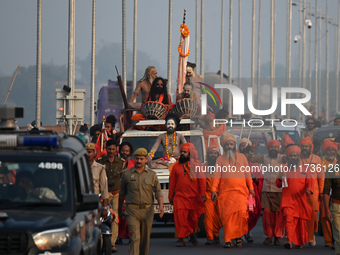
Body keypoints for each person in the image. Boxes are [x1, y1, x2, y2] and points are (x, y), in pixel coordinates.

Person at [211, 132, 255, 248]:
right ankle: (228, 240)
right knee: (227, 218)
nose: (229, 146)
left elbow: (248, 174)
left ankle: (238, 237)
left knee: (241, 216)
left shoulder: (242, 157)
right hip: (225, 194)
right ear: (224, 147)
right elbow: (216, 176)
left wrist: (251, 188)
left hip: (241, 193)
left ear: (234, 145)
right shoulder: (220, 159)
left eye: (231, 144)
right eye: (227, 145)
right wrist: (213, 190)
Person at [118, 148, 164, 255]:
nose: (139, 161)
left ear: (146, 160)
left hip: (147, 211)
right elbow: (121, 194)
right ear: (134, 159)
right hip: (132, 210)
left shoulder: (152, 175)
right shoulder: (126, 174)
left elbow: (158, 192)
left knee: (144, 239)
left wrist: (161, 206)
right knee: (135, 237)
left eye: (141, 159)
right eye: (137, 158)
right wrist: (120, 209)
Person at [168, 143, 206, 247]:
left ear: (190, 153)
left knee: (193, 220)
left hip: (194, 197)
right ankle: (181, 239)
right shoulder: (175, 166)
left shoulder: (197, 165)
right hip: (180, 197)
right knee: (180, 219)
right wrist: (170, 196)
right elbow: (172, 183)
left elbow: (202, 181)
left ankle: (191, 233)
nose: (182, 154)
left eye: (184, 152)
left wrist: (203, 193)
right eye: (181, 152)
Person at [276, 144, 314, 249]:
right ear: (288, 157)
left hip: (300, 200)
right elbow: (279, 185)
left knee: (300, 223)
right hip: (287, 199)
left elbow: (310, 182)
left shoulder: (305, 169)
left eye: (295, 156)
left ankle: (299, 241)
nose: (293, 157)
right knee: (289, 219)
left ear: (298, 156)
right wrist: (279, 178)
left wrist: (309, 190)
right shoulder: (284, 169)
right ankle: (289, 240)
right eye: (291, 156)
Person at [250, 140, 284, 245]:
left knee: (278, 215)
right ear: (268, 148)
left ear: (278, 149)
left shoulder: (282, 158)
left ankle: (277, 236)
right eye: (271, 147)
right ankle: (269, 235)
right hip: (266, 190)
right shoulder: (264, 157)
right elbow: (251, 158)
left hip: (279, 190)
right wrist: (251, 149)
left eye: (275, 147)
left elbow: (293, 158)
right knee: (267, 214)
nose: (273, 149)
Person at [97, 140, 125, 253]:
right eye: (109, 149)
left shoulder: (121, 162)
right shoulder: (100, 162)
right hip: (104, 194)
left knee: (115, 217)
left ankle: (112, 243)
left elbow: (123, 179)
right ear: (106, 148)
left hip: (117, 193)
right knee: (101, 217)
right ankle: (101, 242)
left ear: (116, 149)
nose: (111, 151)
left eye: (113, 149)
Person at [300, 137, 324, 246]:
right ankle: (304, 237)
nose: (304, 148)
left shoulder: (317, 159)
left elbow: (321, 177)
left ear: (311, 148)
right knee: (301, 216)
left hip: (314, 192)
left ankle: (310, 236)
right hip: (300, 192)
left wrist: (322, 192)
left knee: (313, 215)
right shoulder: (296, 158)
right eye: (303, 146)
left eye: (306, 146)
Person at [238, 138, 263, 243]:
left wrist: (255, 180)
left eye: (247, 152)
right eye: (243, 149)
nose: (246, 154)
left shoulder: (255, 165)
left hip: (252, 194)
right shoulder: (236, 163)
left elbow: (261, 179)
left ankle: (248, 232)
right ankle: (241, 234)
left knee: (252, 213)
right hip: (239, 192)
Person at [320, 139, 338, 248]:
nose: (330, 152)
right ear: (324, 151)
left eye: (332, 150)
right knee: (325, 216)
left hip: (336, 193)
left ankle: (336, 239)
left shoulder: (338, 163)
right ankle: (328, 240)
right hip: (324, 193)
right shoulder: (320, 163)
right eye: (328, 149)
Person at [116, 141, 135, 245]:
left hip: (131, 192)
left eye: (127, 151)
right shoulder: (116, 162)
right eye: (123, 150)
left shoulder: (133, 162)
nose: (125, 152)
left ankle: (130, 235)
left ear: (130, 151)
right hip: (119, 191)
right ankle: (119, 236)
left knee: (130, 216)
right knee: (120, 215)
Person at [203, 145, 222, 245]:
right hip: (208, 195)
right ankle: (210, 237)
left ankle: (216, 234)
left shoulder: (222, 167)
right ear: (208, 155)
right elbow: (201, 182)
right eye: (211, 153)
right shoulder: (203, 167)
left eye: (215, 153)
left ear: (219, 155)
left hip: (220, 195)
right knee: (209, 217)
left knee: (219, 218)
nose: (213, 155)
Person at [86, 143, 109, 219]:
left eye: (89, 152)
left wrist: (105, 208)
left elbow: (104, 188)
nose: (87, 154)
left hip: (94, 203)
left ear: (94, 153)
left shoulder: (100, 168)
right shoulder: (77, 167)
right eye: (85, 152)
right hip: (81, 204)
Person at [323, 155, 340, 255]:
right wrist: (327, 210)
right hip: (336, 207)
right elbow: (326, 191)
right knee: (338, 237)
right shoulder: (331, 170)